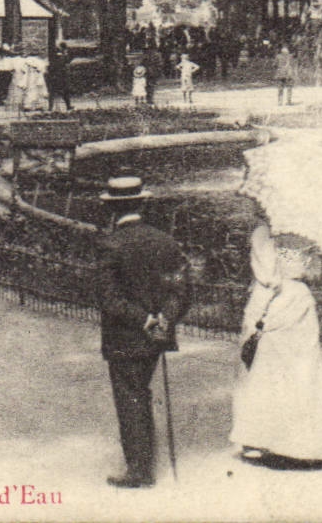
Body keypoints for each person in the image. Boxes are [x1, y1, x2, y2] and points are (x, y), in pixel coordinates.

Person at [97, 175, 191, 489]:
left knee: (131, 397)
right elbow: (181, 290)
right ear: (141, 203)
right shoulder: (166, 241)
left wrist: (144, 319)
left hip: (127, 336)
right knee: (142, 393)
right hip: (158, 335)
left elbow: (109, 300)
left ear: (112, 208)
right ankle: (143, 461)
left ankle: (139, 469)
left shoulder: (111, 244)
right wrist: (164, 317)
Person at [230, 225, 322, 465]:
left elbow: (266, 275)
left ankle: (257, 439)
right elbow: (315, 273)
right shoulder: (308, 232)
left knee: (262, 371)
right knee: (301, 372)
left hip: (272, 299)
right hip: (299, 299)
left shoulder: (262, 233)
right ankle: (303, 445)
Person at [46, 43, 73, 112]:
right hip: (61, 77)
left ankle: (50, 107)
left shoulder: (54, 57)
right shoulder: (63, 57)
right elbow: (67, 63)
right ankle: (68, 106)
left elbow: (50, 67)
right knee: (64, 92)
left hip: (55, 77)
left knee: (53, 93)